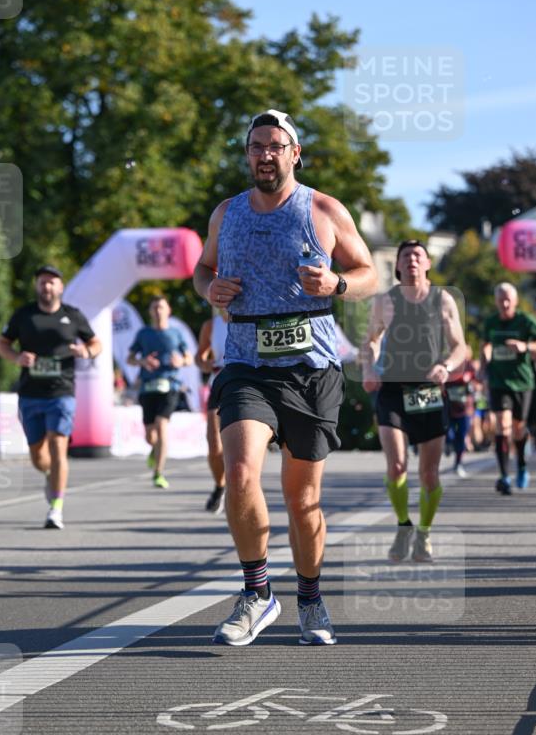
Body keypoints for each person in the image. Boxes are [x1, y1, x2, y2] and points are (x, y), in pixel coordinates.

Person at [193, 109, 377, 646]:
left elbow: (368, 274)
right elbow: (203, 268)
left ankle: (311, 599)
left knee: (302, 500)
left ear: (295, 153)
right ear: (247, 154)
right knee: (240, 472)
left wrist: (337, 284)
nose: (265, 155)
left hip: (310, 370)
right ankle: (256, 592)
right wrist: (208, 289)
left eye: (275, 146)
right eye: (256, 146)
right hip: (246, 363)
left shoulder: (323, 209)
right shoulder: (226, 213)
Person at [362, 239, 467, 563]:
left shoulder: (443, 299)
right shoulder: (385, 301)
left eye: (418, 255)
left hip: (429, 390)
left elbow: (460, 346)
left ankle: (424, 532)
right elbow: (370, 341)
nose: (412, 260)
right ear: (397, 265)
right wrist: (369, 367)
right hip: (393, 390)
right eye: (405, 255)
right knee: (396, 466)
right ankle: (403, 525)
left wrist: (446, 366)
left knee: (429, 474)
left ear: (428, 263)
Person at [0, 265, 101, 528]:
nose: (47, 286)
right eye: (42, 282)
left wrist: (86, 352)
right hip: (30, 393)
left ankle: (56, 508)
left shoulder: (72, 315)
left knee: (58, 446)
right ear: (37, 286)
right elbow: (2, 344)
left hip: (62, 392)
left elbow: (95, 343)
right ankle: (49, 475)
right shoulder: (24, 315)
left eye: (52, 282)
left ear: (60, 287)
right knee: (38, 457)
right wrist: (17, 357)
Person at [126, 295, 193, 490]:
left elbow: (189, 358)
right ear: (150, 312)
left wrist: (181, 361)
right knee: (150, 436)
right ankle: (154, 450)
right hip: (148, 387)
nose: (158, 311)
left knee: (162, 425)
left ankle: (158, 473)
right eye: (154, 307)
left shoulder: (176, 333)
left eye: (161, 307)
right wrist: (143, 361)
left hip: (170, 386)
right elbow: (130, 358)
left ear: (168, 310)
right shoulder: (143, 333)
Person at [481, 282, 536, 494]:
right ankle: (504, 475)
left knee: (518, 429)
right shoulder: (491, 322)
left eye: (508, 300)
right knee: (502, 426)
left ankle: (521, 465)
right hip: (499, 382)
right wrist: (483, 364)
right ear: (496, 301)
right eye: (500, 300)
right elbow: (485, 344)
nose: (504, 304)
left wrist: (526, 346)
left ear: (515, 301)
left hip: (522, 382)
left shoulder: (526, 321)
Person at [195, 309, 228, 514]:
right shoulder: (211, 325)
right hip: (218, 382)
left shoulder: (251, 314)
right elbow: (200, 356)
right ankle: (219, 486)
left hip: (247, 383)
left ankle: (244, 485)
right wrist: (204, 363)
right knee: (214, 443)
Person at [445, 345, 476, 477]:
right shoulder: (448, 364)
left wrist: (472, 385)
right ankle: (448, 443)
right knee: (449, 432)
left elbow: (477, 381)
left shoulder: (469, 366)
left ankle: (458, 464)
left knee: (461, 436)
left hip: (465, 408)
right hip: (449, 406)